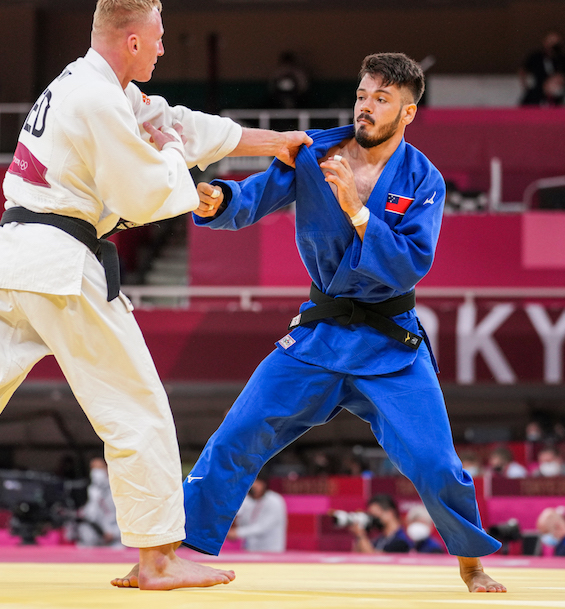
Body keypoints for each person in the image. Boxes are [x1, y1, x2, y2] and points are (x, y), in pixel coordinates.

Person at [0, 0, 310, 593]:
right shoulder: (97, 100)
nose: (164, 50)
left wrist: (274, 144)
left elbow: (178, 124)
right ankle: (158, 559)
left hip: (1, 260)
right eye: (160, 39)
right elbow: (143, 191)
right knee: (137, 410)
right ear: (133, 39)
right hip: (61, 263)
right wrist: (178, 168)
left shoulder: (84, 86)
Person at [175, 53, 505, 593]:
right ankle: (183, 550)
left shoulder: (424, 179)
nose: (366, 108)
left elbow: (410, 262)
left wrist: (357, 208)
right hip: (318, 336)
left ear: (408, 113)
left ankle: (471, 560)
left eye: (381, 100)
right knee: (237, 434)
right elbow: (255, 197)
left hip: (390, 343)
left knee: (434, 462)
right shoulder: (315, 152)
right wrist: (218, 201)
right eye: (361, 95)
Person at [227, 476, 287, 553]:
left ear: (263, 484)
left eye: (257, 482)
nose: (253, 486)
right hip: (250, 550)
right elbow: (240, 521)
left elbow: (262, 527)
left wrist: (237, 533)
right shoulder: (246, 500)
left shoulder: (275, 500)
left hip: (271, 551)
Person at [76, 457, 122, 547]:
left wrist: (114, 533)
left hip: (114, 538)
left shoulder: (117, 489)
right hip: (93, 537)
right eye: (93, 468)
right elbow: (90, 513)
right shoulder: (92, 490)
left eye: (99, 468)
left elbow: (124, 516)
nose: (96, 472)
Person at [520, 32, 565, 106]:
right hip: (538, 90)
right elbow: (523, 70)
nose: (553, 45)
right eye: (550, 41)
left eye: (556, 43)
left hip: (556, 92)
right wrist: (525, 85)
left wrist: (555, 83)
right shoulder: (536, 57)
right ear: (545, 42)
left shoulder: (562, 59)